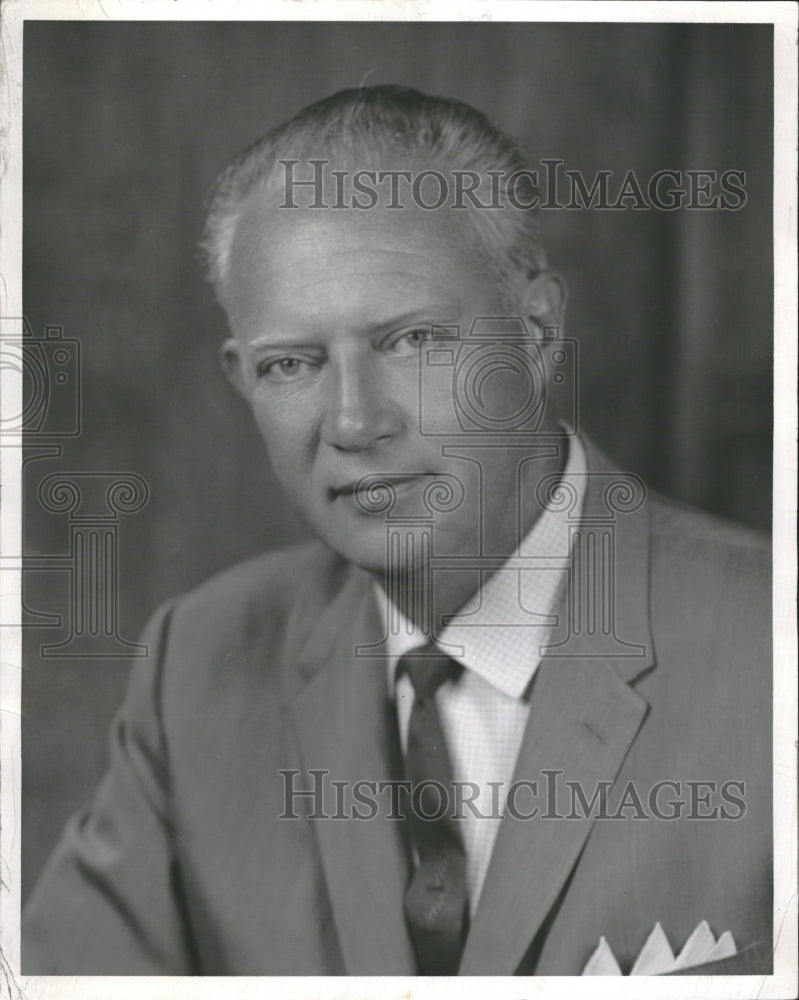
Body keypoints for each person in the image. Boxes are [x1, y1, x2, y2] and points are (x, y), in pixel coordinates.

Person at [22, 85, 771, 977]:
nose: (352, 421)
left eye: (412, 341)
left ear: (536, 332)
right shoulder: (197, 669)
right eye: (290, 363)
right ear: (241, 379)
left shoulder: (774, 650)